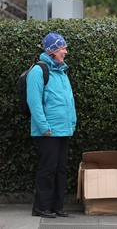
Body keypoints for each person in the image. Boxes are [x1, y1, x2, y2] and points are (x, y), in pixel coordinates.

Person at [27, 32, 77, 218]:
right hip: (47, 132)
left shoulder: (62, 71)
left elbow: (68, 100)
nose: (65, 51)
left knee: (60, 170)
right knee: (48, 169)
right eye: (62, 48)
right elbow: (34, 102)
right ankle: (41, 207)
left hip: (63, 130)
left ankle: (56, 206)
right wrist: (43, 127)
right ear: (53, 50)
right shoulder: (38, 71)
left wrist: (72, 123)